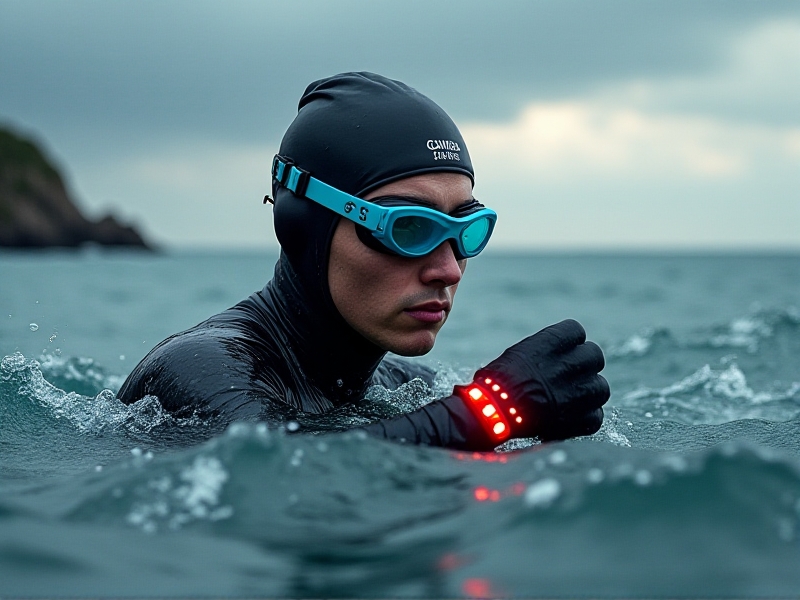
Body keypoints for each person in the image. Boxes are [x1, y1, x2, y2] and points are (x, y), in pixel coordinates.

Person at [118, 72, 609, 450]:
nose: (449, 269)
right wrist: (491, 411)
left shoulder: (404, 385)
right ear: (303, 228)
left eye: (466, 232)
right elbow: (278, 472)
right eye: (408, 229)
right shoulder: (200, 369)